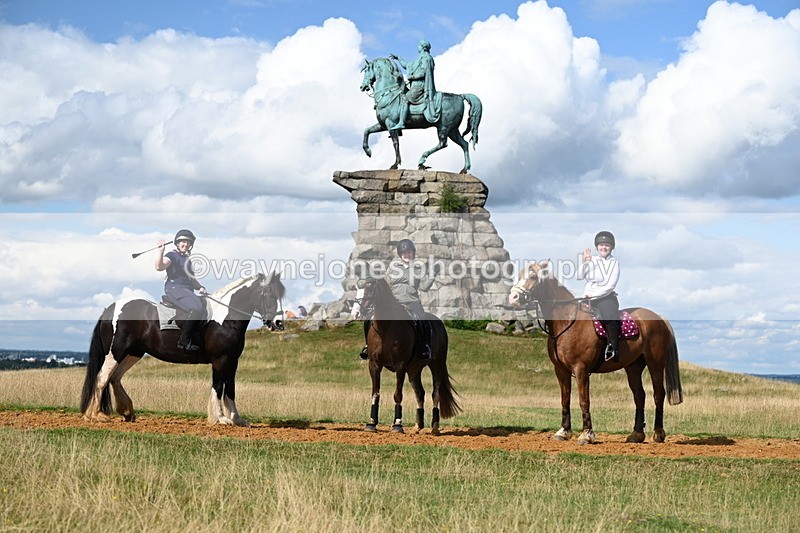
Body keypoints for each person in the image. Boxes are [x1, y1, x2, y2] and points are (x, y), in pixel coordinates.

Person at [359, 238, 435, 360]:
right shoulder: (393, 268)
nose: (407, 255)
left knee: (423, 320)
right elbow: (385, 283)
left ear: (413, 253)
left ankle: (425, 347)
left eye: (409, 252)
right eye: (404, 253)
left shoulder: (418, 269)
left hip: (411, 302)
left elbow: (424, 287)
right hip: (394, 302)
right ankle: (368, 346)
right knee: (370, 319)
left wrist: (432, 275)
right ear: (400, 255)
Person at [155, 229, 207, 351]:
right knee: (196, 308)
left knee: (204, 306)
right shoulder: (172, 256)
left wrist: (200, 287)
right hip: (175, 289)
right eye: (183, 242)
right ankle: (183, 341)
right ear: (177, 243)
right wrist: (160, 252)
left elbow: (192, 280)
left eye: (188, 242)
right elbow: (159, 266)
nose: (186, 244)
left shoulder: (188, 260)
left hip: (187, 290)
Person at [578, 231, 621, 362]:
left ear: (612, 247)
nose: (604, 248)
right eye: (601, 245)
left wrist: (594, 295)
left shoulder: (614, 263)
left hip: (606, 298)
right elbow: (579, 276)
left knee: (608, 316)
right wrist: (585, 262)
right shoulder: (593, 260)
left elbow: (610, 286)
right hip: (588, 298)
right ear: (597, 247)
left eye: (607, 245)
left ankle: (613, 348)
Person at [389, 40, 441, 131]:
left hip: (420, 87)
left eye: (419, 45)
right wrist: (398, 58)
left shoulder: (426, 58)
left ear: (422, 46)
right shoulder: (419, 59)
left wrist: (412, 76)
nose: (417, 47)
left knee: (405, 99)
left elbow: (424, 72)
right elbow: (408, 65)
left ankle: (401, 122)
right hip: (414, 86)